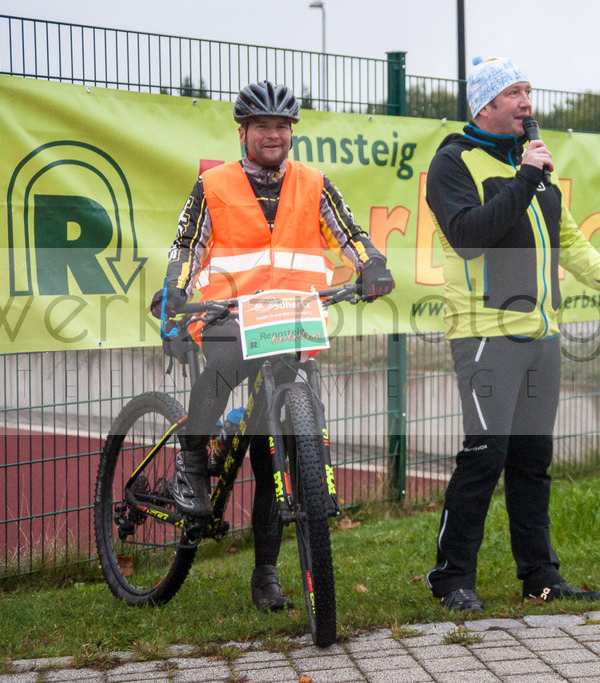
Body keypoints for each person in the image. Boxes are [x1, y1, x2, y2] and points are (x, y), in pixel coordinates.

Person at [157, 81, 394, 612]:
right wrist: (176, 286)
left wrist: (372, 265)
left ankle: (266, 574)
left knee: (274, 455)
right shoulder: (213, 183)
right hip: (230, 314)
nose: (273, 134)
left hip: (292, 319)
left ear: (291, 133)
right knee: (222, 368)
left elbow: (349, 233)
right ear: (243, 132)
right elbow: (188, 244)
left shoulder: (314, 182)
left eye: (282, 126)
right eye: (262, 126)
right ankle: (192, 458)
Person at [424, 57, 600, 611]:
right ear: (485, 105)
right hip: (485, 333)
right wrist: (525, 177)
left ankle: (541, 578)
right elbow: (469, 237)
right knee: (484, 456)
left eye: (528, 91)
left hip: (542, 336)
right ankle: (452, 579)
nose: (527, 102)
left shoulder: (533, 164)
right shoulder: (453, 162)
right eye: (514, 93)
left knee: (531, 459)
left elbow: (567, 239)